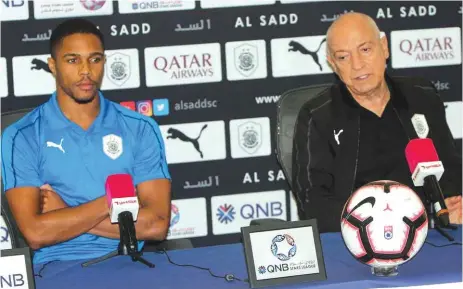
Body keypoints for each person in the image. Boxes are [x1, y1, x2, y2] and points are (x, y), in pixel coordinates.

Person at [1, 18, 172, 264]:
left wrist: (64, 212)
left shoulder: (140, 127)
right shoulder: (22, 135)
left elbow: (156, 225)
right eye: (73, 60)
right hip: (58, 265)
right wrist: (115, 202)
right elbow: (36, 233)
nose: (85, 71)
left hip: (130, 259)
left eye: (95, 59)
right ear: (53, 65)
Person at [291, 12, 462, 233]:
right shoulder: (317, 117)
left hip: (427, 233)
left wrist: (453, 202)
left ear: (384, 48)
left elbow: (449, 167)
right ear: (332, 64)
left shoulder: (421, 97)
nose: (357, 65)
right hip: (357, 238)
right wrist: (377, 224)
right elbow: (312, 202)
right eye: (343, 57)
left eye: (365, 50)